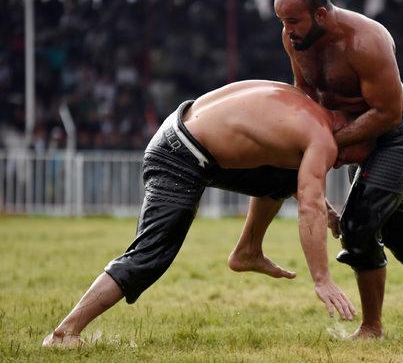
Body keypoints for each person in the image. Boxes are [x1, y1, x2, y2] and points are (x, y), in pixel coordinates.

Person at [42, 80, 362, 348]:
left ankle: (248, 250)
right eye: (363, 151)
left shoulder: (304, 108)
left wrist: (327, 211)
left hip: (191, 136)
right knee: (149, 256)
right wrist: (322, 280)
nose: (350, 160)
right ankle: (64, 333)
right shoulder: (323, 137)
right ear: (353, 129)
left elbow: (307, 192)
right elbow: (309, 205)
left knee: (286, 175)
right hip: (180, 154)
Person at [267, 0, 403, 338]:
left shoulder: (366, 40)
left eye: (293, 21)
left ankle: (371, 328)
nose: (287, 30)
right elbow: (305, 94)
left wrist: (330, 143)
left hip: (396, 134)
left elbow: (387, 113)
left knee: (359, 223)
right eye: (282, 21)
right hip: (349, 133)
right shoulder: (294, 39)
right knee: (396, 224)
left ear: (320, 14)